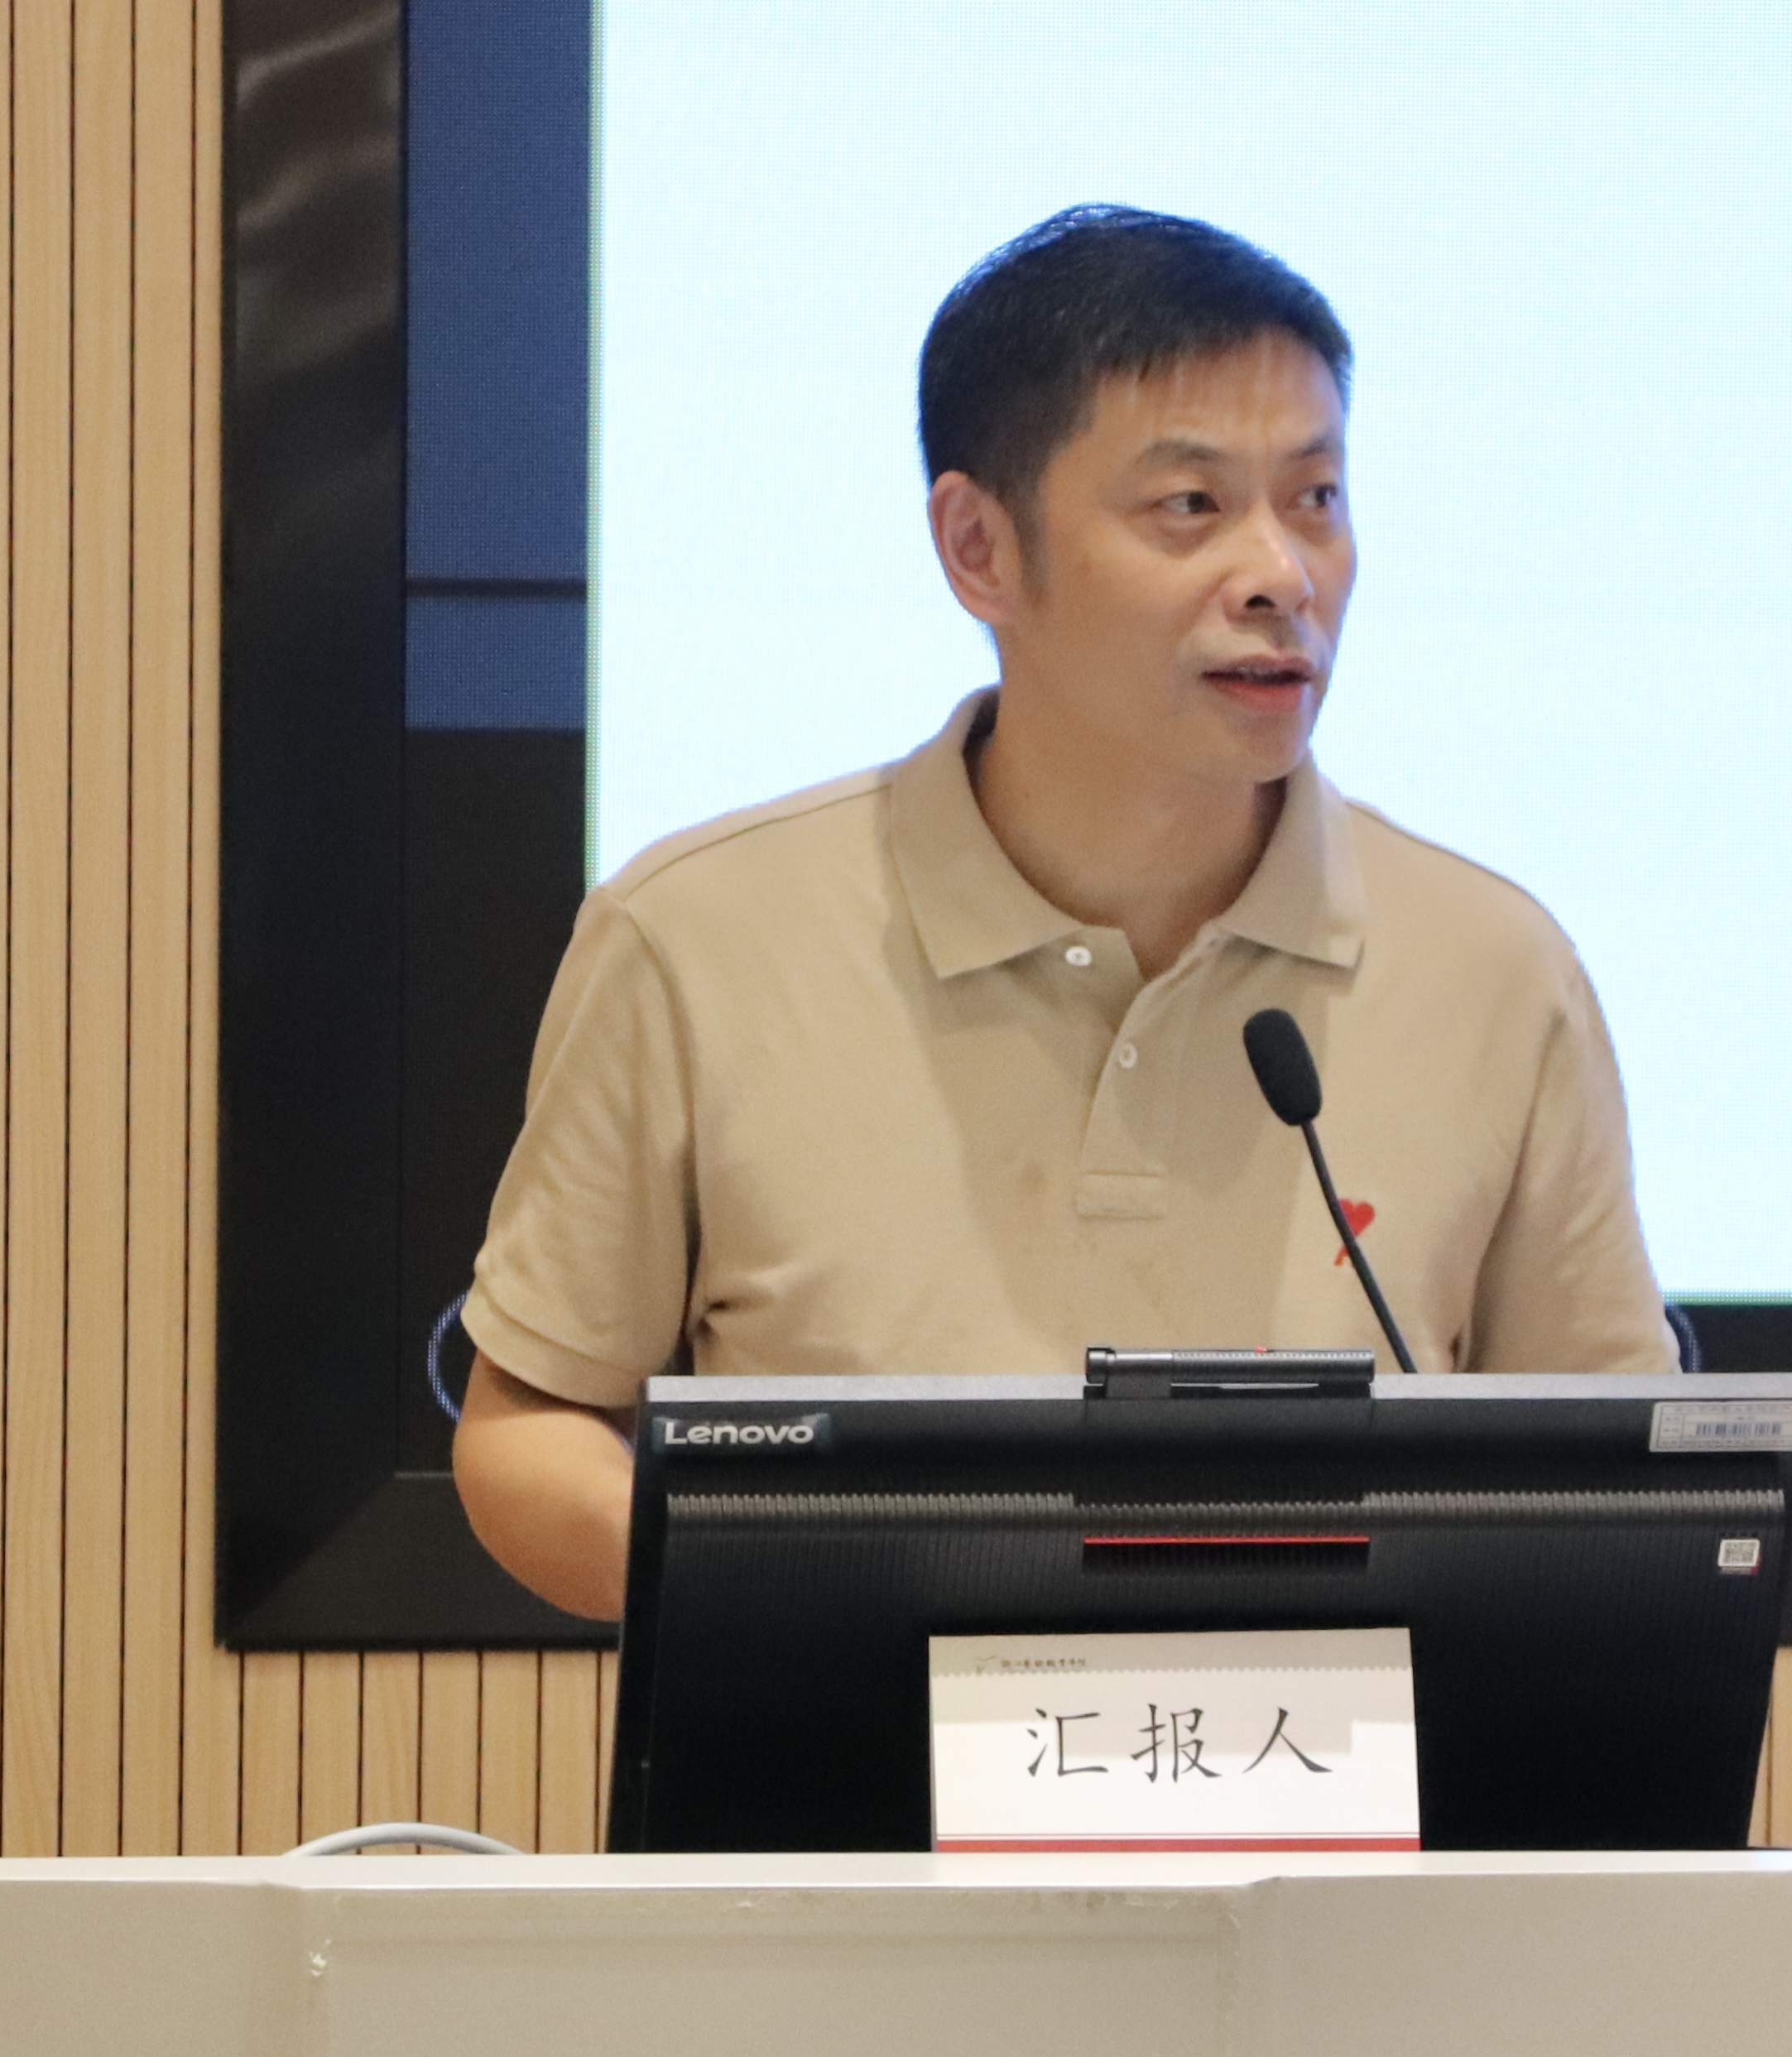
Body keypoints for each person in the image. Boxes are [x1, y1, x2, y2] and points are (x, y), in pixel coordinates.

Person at [454, 204, 1672, 1620]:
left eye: (1316, 498)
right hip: (852, 1754)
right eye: (1190, 506)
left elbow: (1617, 1485)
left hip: (1323, 1761)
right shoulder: (696, 937)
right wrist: (802, 1601)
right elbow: (531, 1428)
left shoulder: (1490, 967)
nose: (1281, 575)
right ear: (979, 547)